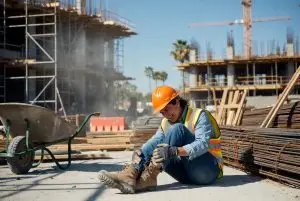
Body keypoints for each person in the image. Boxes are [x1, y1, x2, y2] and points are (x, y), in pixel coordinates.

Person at [98, 85, 223, 194]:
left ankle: (148, 178)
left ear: (177, 102)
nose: (166, 115)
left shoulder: (199, 115)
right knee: (156, 146)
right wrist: (139, 156)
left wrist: (175, 151)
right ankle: (130, 176)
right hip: (185, 175)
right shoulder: (165, 123)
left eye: (167, 109)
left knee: (177, 130)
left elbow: (203, 144)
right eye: (162, 112)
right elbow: (154, 142)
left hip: (207, 171)